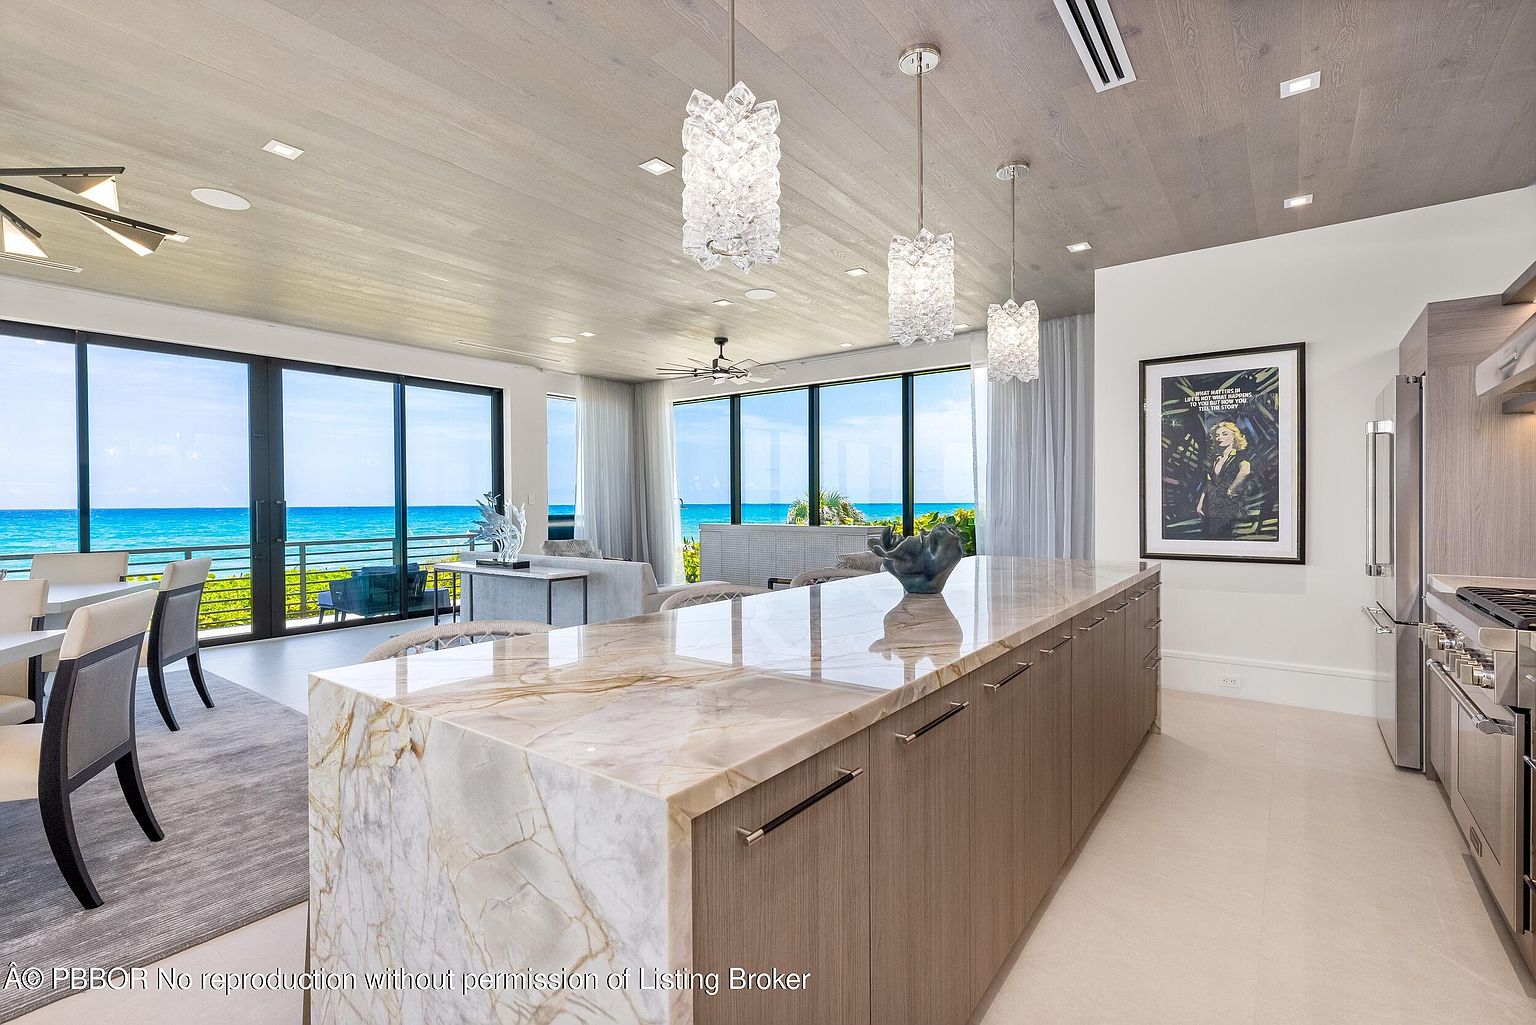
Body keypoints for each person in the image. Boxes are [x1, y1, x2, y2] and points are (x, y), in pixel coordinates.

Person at [1195, 421, 1251, 539]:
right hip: (1212, 505)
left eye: (1225, 434)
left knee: (1223, 537)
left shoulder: (1239, 456)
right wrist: (1200, 504)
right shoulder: (1216, 459)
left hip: (1228, 505)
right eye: (1217, 435)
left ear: (1233, 437)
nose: (1220, 437)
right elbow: (1209, 482)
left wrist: (1231, 489)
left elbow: (1245, 470)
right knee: (1208, 537)